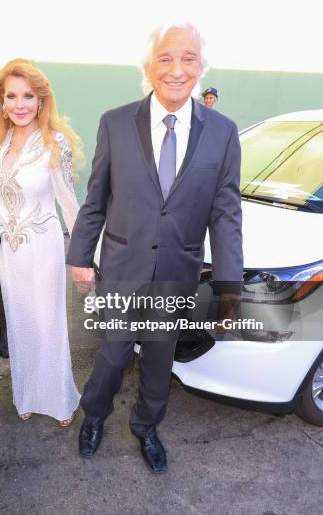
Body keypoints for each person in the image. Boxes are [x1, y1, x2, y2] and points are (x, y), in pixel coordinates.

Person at [67, 23, 243, 472]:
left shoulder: (223, 133)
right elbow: (96, 197)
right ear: (148, 66)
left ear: (202, 66)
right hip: (123, 266)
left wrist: (229, 286)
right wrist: (81, 257)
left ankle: (146, 425)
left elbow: (225, 213)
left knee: (160, 357)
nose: (177, 69)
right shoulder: (115, 122)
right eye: (165, 58)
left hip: (177, 271)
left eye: (188, 58)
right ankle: (95, 415)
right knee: (113, 353)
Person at [0, 58, 83, 426]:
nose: (20, 104)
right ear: (2, 102)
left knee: (48, 323)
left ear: (41, 100)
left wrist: (84, 258)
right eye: (12, 96)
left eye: (28, 96)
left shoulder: (55, 144)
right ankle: (27, 393)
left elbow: (69, 202)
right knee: (18, 322)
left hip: (42, 246)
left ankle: (59, 399)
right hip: (8, 249)